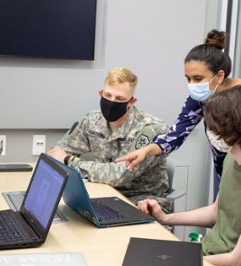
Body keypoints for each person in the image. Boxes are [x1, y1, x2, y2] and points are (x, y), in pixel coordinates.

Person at [116, 29, 241, 200]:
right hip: (226, 168)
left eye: (197, 79)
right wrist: (145, 151)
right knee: (222, 216)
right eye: (188, 78)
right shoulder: (199, 99)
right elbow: (175, 135)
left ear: (219, 75)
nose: (191, 85)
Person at [137, 85, 241, 266]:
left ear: (240, 128)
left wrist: (182, 260)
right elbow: (216, 212)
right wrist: (165, 218)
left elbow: (238, 260)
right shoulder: (232, 158)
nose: (211, 132)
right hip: (205, 253)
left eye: (216, 127)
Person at [47, 67, 172, 212]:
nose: (112, 102)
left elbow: (118, 175)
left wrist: (69, 161)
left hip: (142, 203)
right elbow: (57, 153)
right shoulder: (92, 120)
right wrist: (61, 157)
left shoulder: (151, 129)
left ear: (132, 102)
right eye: (108, 95)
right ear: (101, 94)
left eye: (119, 99)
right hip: (102, 194)